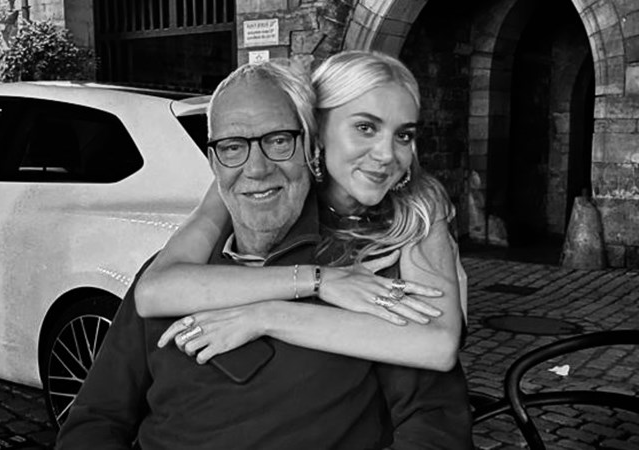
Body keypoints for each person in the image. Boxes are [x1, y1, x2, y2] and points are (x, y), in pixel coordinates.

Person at [55, 58, 472, 449]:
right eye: (233, 147)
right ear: (214, 162)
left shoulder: (373, 267)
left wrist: (273, 313)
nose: (256, 169)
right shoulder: (174, 273)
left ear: (310, 149)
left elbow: (435, 422)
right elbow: (97, 416)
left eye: (278, 141)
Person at [135, 50, 468, 372]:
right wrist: (320, 281)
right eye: (365, 127)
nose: (386, 154)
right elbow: (155, 291)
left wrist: (266, 315)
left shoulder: (418, 204)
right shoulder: (270, 181)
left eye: (403, 135)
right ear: (317, 130)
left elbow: (439, 345)